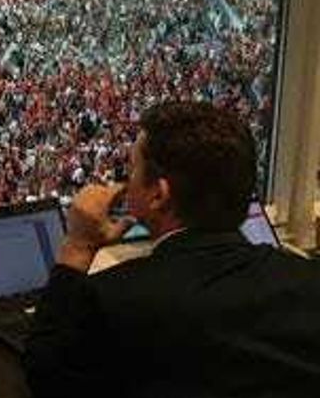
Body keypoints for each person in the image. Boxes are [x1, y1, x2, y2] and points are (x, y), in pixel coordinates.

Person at [25, 101, 320, 398]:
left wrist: (78, 245)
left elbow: (46, 375)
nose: (125, 183)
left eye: (132, 169)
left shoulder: (114, 301)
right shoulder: (308, 280)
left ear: (158, 194)